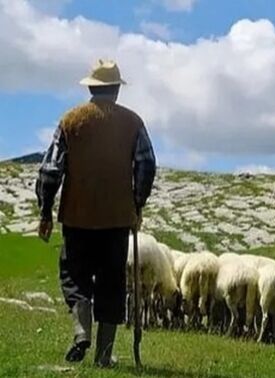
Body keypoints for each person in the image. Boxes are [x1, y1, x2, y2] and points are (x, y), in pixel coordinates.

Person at [36, 60, 156, 367]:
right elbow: (146, 164)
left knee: (74, 276)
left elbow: (51, 169)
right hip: (117, 218)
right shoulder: (133, 123)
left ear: (91, 87)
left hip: (77, 216)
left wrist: (46, 212)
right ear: (116, 90)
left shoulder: (70, 120)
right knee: (112, 282)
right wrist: (137, 204)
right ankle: (104, 355)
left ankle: (81, 330)